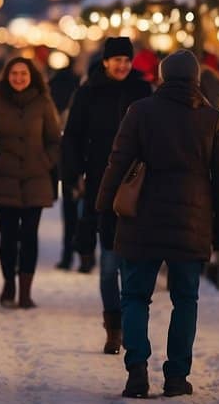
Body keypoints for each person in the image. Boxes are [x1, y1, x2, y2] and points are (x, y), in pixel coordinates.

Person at [95, 51, 219, 399]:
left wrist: (103, 206)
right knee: (185, 299)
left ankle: (137, 371)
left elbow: (118, 162)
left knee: (135, 296)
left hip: (142, 219)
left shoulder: (140, 112)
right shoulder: (212, 119)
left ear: (160, 77)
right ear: (197, 80)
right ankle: (176, 376)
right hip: (192, 220)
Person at [61, 36, 153, 354]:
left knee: (132, 262)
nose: (122, 65)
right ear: (105, 62)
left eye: (127, 60)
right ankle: (113, 326)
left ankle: (130, 324)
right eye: (117, 60)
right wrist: (74, 173)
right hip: (100, 183)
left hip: (136, 186)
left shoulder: (142, 92)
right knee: (109, 264)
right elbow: (72, 136)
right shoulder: (88, 94)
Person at [0, 56, 62, 309]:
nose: (19, 78)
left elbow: (55, 140)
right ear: (7, 77)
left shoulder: (43, 103)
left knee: (30, 236)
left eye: (23, 73)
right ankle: (9, 282)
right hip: (4, 177)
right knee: (9, 237)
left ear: (31, 76)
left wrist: (45, 161)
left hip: (36, 178)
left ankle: (25, 290)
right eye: (14, 74)